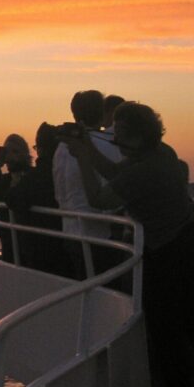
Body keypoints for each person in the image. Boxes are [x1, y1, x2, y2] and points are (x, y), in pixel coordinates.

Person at [62, 101, 194, 387]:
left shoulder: (145, 170)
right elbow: (116, 172)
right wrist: (86, 147)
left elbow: (100, 200)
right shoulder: (161, 153)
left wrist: (83, 157)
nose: (117, 140)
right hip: (188, 243)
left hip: (168, 251)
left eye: (123, 134)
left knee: (165, 328)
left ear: (139, 136)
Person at [53, 90, 122, 279]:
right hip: (97, 236)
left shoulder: (61, 148)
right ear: (102, 113)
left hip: (69, 232)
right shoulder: (107, 144)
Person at [5, 123, 71, 277]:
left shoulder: (39, 175)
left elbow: (14, 199)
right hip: (65, 237)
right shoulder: (65, 169)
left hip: (43, 246)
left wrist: (15, 186)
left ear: (40, 149)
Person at [0, 134, 32, 263]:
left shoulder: (33, 177)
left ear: (25, 154)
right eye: (7, 151)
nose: (10, 156)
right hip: (7, 235)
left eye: (15, 151)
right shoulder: (5, 179)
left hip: (28, 236)